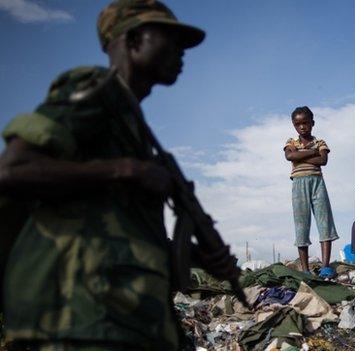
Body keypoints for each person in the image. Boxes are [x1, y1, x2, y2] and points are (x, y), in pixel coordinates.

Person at [0, 1, 239, 350]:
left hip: (119, 316)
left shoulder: (133, 124)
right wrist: (126, 170)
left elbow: (118, 228)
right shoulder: (96, 88)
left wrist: (198, 257)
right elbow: (13, 169)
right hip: (78, 316)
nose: (181, 52)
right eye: (169, 39)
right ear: (133, 40)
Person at [284, 106, 339, 279]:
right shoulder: (291, 142)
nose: (302, 127)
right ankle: (305, 269)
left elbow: (323, 160)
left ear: (312, 123)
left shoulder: (320, 141)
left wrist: (301, 154)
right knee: (301, 224)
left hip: (317, 183)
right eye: (298, 124)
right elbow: (290, 157)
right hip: (299, 184)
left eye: (305, 123)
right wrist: (311, 152)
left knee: (324, 221)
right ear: (294, 125)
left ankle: (325, 266)